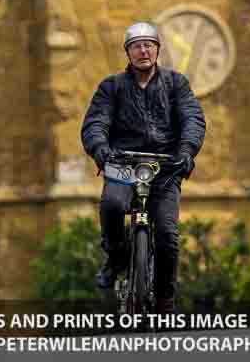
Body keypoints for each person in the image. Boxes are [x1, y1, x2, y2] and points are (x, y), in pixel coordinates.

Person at [81, 22, 206, 314]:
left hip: (165, 167)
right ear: (128, 53)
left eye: (148, 44)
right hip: (123, 164)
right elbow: (95, 123)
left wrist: (186, 150)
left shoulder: (177, 84)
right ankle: (115, 257)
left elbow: (192, 118)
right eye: (136, 46)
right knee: (112, 205)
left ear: (157, 49)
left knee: (167, 237)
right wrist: (101, 150)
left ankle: (165, 298)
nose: (143, 50)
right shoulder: (111, 87)